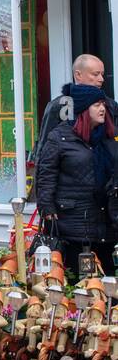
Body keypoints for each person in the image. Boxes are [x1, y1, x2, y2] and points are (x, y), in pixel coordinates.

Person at [33, 82, 118, 276]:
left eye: (103, 104)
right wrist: (47, 208)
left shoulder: (110, 136)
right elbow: (46, 176)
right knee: (79, 284)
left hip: (108, 223)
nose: (103, 109)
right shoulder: (60, 137)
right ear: (82, 109)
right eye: (97, 105)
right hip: (74, 223)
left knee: (109, 282)